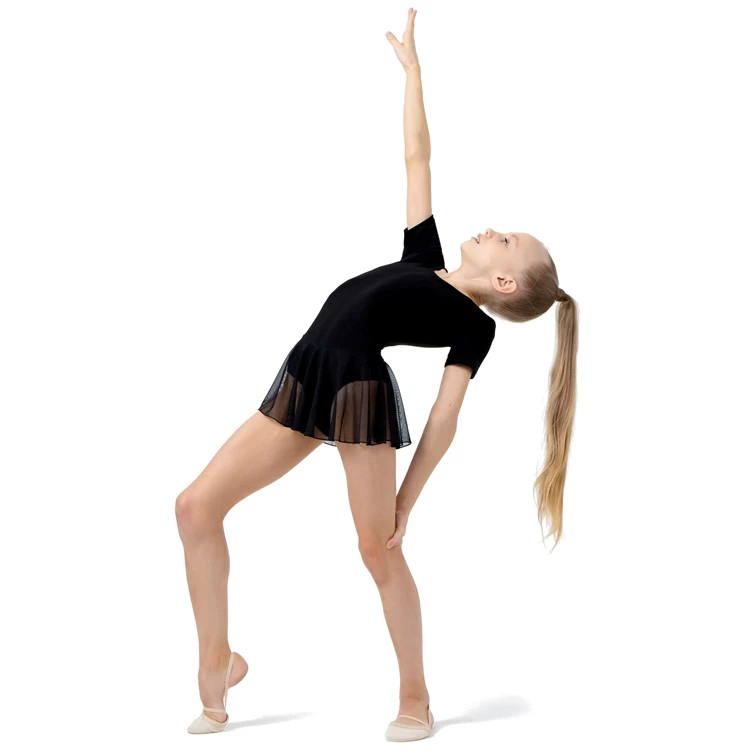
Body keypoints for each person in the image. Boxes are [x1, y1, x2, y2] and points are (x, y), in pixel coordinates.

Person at [175, 7, 579, 742]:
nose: (492, 229)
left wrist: (405, 501)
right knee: (195, 508)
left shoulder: (475, 325)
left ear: (505, 283)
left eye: (506, 240)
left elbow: (445, 418)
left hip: (357, 395)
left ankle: (416, 696)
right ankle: (218, 665)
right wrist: (414, 74)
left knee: (377, 546)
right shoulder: (424, 258)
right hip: (306, 373)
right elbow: (417, 158)